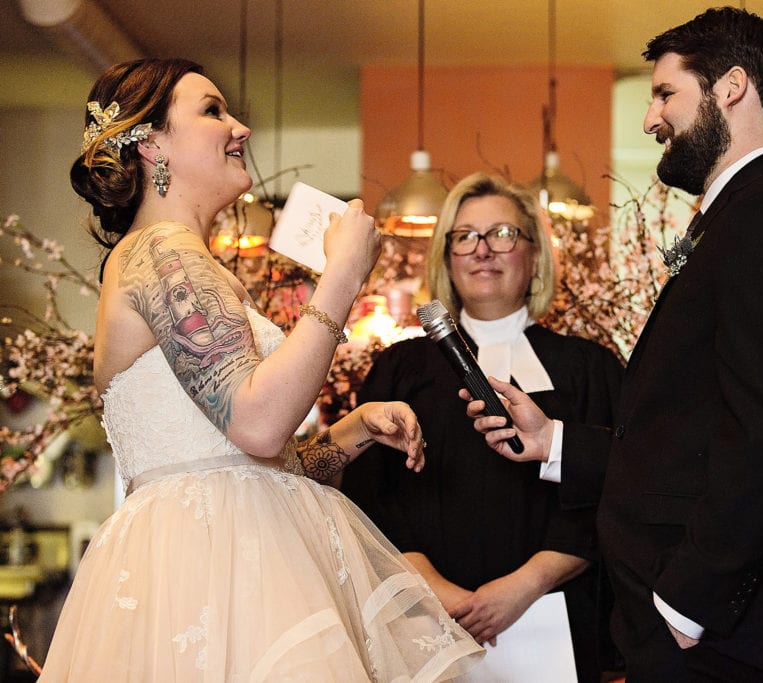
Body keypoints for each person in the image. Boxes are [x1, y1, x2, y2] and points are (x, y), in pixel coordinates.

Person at [40, 58, 483, 681]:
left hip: (244, 544)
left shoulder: (198, 265)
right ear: (151, 143)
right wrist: (342, 277)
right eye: (213, 110)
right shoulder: (162, 252)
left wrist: (354, 430)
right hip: (207, 568)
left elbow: (261, 461)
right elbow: (258, 425)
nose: (240, 126)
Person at [465, 8, 763, 682]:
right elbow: (688, 440)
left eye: (666, 93)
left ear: (731, 87)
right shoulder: (743, 220)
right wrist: (555, 441)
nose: (651, 119)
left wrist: (686, 603)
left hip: (713, 642)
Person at [340, 172, 623, 682]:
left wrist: (524, 586)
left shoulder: (591, 369)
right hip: (422, 615)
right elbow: (369, 495)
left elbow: (614, 488)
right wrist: (431, 586)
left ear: (536, 256)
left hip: (552, 616)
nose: (483, 250)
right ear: (447, 258)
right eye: (465, 236)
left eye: (504, 234)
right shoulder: (398, 369)